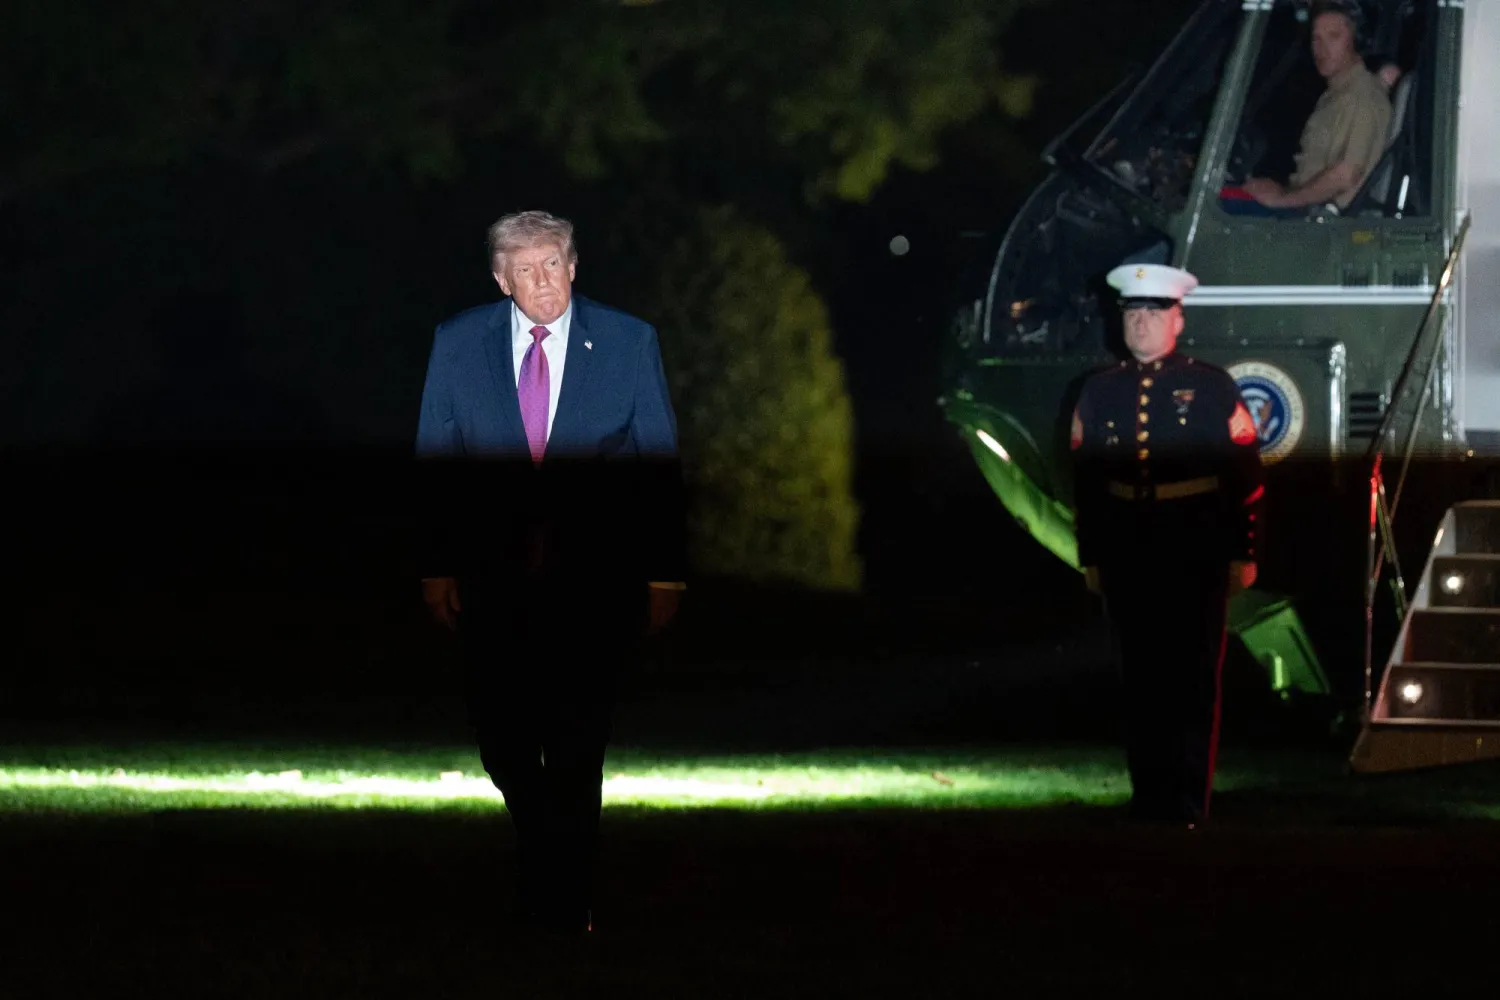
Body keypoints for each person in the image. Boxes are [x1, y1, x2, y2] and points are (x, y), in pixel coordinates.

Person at [415, 210, 686, 933]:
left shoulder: (628, 341)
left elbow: (658, 462)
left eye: (554, 265)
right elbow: (436, 460)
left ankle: (565, 901)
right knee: (502, 741)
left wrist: (664, 573)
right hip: (494, 578)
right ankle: (548, 850)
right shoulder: (458, 342)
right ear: (501, 279)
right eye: (526, 269)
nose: (544, 282)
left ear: (574, 267)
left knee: (576, 743)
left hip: (592, 581)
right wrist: (437, 564)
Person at [1069, 264, 1264, 827]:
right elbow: (1087, 482)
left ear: (1178, 320)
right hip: (1129, 549)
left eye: (1154, 313)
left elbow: (1245, 475)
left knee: (1193, 677)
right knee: (1139, 678)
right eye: (1133, 313)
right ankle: (1148, 796)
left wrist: (1242, 550)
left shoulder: (1211, 386)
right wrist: (1092, 555)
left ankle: (1188, 800)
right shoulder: (1099, 391)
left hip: (1194, 546)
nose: (1141, 323)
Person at [1241, 0, 1391, 213]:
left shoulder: (1360, 96)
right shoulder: (1336, 94)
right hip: (1306, 209)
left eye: (1334, 37)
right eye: (1316, 38)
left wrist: (1282, 199)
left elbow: (1346, 175)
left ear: (1357, 41)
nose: (1321, 48)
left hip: (1320, 220)